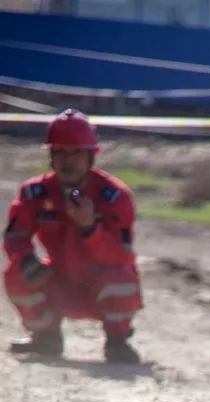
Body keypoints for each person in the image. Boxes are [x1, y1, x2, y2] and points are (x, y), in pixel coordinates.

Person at [3, 108, 143, 363]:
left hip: (99, 286)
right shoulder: (34, 193)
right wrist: (26, 260)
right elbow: (15, 237)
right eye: (61, 153)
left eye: (76, 153)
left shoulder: (114, 196)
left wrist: (90, 229)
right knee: (16, 271)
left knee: (122, 277)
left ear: (91, 156)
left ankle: (117, 342)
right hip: (59, 284)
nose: (68, 161)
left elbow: (121, 257)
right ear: (51, 156)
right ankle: (46, 337)